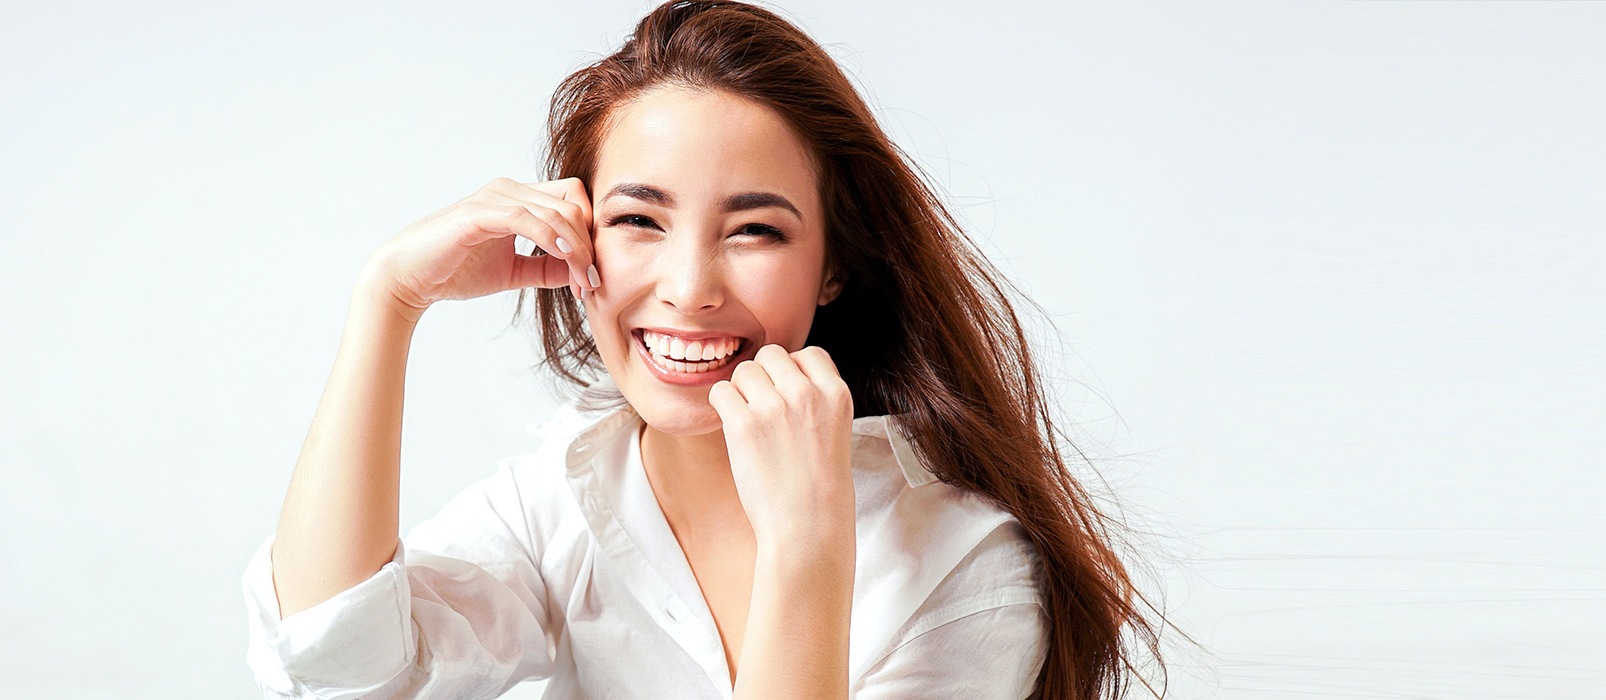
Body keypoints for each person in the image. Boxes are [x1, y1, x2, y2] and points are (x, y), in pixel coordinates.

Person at [244, 2, 1176, 699]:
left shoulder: (961, 562)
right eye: (639, 219)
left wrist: (806, 544)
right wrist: (390, 299)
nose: (689, 288)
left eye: (756, 231)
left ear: (834, 265)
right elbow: (333, 669)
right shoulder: (560, 500)